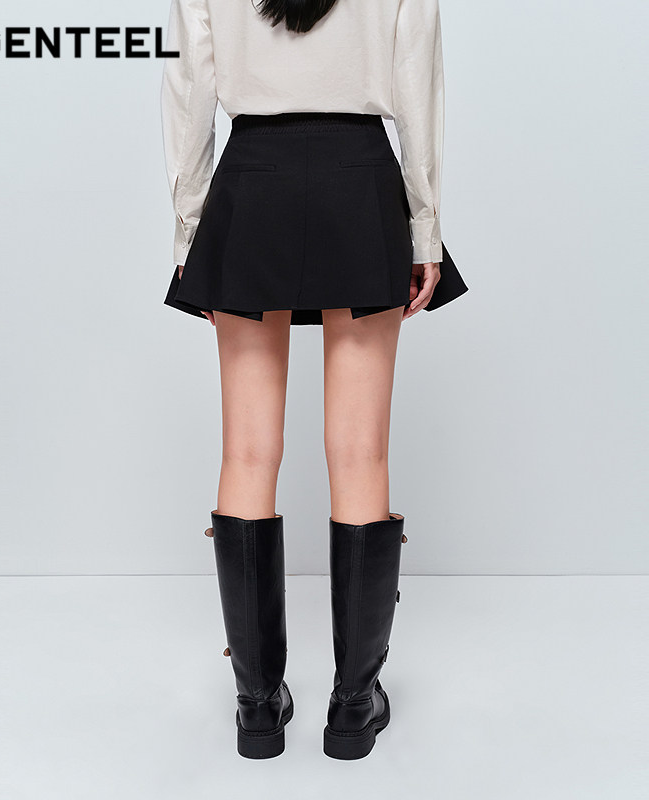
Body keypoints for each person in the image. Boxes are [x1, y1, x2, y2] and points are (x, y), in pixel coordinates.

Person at [160, 0, 468, 760]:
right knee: (360, 454)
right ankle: (354, 705)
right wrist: (425, 228)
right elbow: (418, 85)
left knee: (246, 453)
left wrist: (191, 229)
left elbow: (189, 86)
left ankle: (257, 706)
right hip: (359, 181)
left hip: (251, 182)